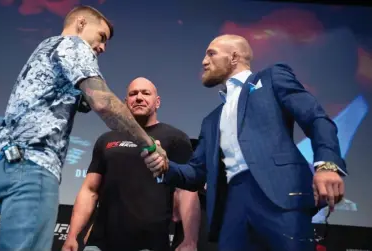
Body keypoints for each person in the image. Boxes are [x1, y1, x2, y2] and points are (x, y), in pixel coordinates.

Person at [142, 34, 347, 251]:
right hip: (232, 206)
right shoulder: (211, 121)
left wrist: (327, 165)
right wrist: (164, 165)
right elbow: (195, 174)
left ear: (234, 57)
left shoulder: (271, 79)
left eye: (211, 53)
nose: (204, 61)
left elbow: (316, 118)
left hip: (280, 196)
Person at [0, 6, 165, 251]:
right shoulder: (73, 45)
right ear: (81, 23)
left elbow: (77, 99)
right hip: (33, 167)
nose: (103, 47)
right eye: (101, 37)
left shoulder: (46, 48)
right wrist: (149, 144)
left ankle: (4, 219)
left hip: (4, 168)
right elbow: (104, 103)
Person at [62, 77, 201, 251]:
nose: (139, 97)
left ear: (157, 102)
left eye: (146, 93)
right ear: (125, 102)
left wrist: (190, 240)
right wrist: (72, 235)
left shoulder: (176, 138)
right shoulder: (106, 140)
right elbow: (89, 190)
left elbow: (186, 191)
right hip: (100, 243)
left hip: (151, 243)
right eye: (133, 94)